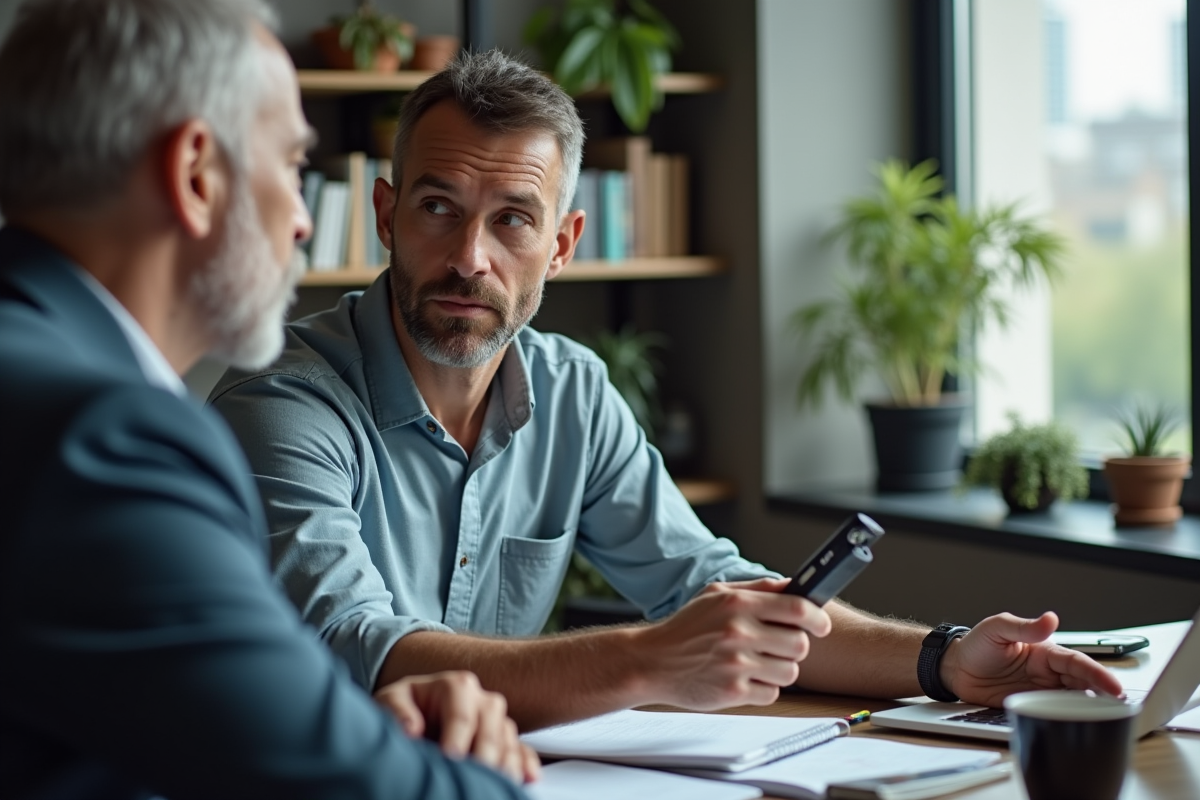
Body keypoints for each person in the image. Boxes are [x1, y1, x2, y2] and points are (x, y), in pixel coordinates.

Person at [210, 49, 1124, 732]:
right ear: (385, 213)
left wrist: (942, 660)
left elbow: (711, 590)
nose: (468, 258)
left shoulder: (572, 393)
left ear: (562, 246)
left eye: (512, 220)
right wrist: (648, 658)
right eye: (437, 207)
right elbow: (359, 653)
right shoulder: (283, 403)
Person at [0, 2, 536, 798]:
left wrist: (346, 726)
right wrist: (480, 771)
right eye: (291, 168)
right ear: (195, 175)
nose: (301, 223)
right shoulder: (108, 444)